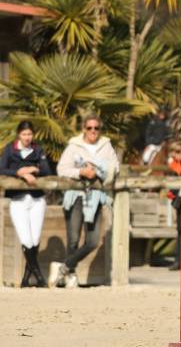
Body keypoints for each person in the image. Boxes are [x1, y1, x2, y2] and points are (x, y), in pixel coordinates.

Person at [54, 117, 119, 288]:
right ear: (83, 128)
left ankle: (65, 267)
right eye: (89, 127)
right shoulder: (73, 146)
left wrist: (99, 169)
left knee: (93, 241)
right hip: (75, 196)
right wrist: (81, 172)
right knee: (73, 239)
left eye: (96, 128)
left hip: (95, 197)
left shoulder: (106, 145)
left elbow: (115, 167)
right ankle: (69, 276)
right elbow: (62, 169)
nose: (93, 131)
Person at [1, 120, 54, 287]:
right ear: (19, 134)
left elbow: (47, 170)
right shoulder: (10, 149)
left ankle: (26, 279)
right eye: (24, 134)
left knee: (35, 239)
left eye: (29, 134)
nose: (27, 137)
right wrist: (19, 172)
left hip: (37, 199)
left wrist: (34, 169)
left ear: (33, 135)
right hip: (18, 199)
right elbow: (1, 169)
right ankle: (39, 277)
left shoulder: (38, 149)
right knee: (26, 239)